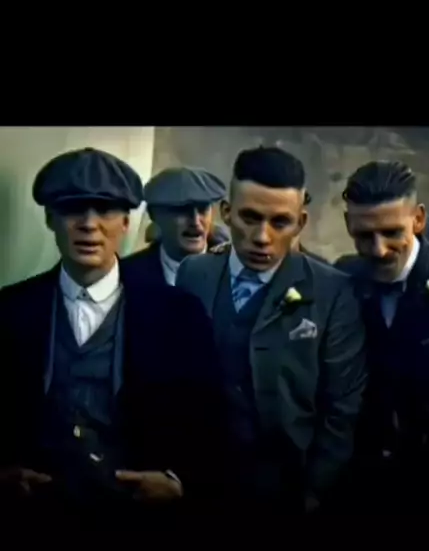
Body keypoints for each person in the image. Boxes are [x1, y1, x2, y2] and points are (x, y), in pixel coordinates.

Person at [0, 148, 225, 527]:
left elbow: (211, 418)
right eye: (73, 209)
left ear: (125, 222)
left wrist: (178, 481)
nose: (89, 225)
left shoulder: (178, 314)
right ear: (50, 218)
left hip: (138, 521)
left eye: (104, 210)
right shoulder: (10, 311)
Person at [176, 146, 367, 514]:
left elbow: (342, 407)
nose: (262, 237)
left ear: (301, 223)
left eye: (280, 222)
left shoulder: (332, 292)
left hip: (286, 490)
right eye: (250, 217)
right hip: (198, 483)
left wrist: (314, 492)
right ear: (226, 213)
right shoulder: (193, 274)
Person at [337, 160, 429, 513]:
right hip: (364, 491)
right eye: (364, 235)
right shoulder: (343, 282)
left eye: (392, 232)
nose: (379, 249)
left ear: (418, 219)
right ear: (348, 224)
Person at [122, 166, 230, 286]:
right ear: (155, 215)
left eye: (202, 209)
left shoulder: (233, 272)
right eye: (182, 210)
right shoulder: (127, 276)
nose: (195, 221)